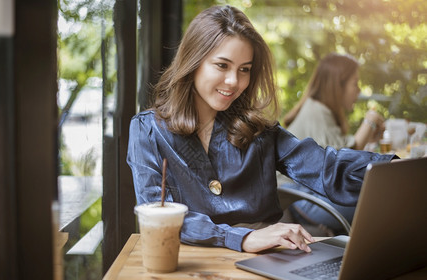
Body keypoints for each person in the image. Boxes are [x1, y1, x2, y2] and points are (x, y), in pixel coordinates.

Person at [127, 5, 395, 253]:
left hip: (265, 264)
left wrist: (396, 170)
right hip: (188, 266)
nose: (234, 81)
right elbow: (158, 214)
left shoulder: (257, 130)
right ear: (194, 62)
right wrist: (241, 237)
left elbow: (326, 167)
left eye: (244, 69)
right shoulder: (148, 130)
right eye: (222, 65)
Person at [281, 53, 386, 234]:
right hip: (298, 197)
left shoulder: (320, 111)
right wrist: (370, 120)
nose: (359, 90)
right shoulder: (316, 111)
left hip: (308, 193)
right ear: (338, 85)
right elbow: (344, 161)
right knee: (378, 202)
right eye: (355, 83)